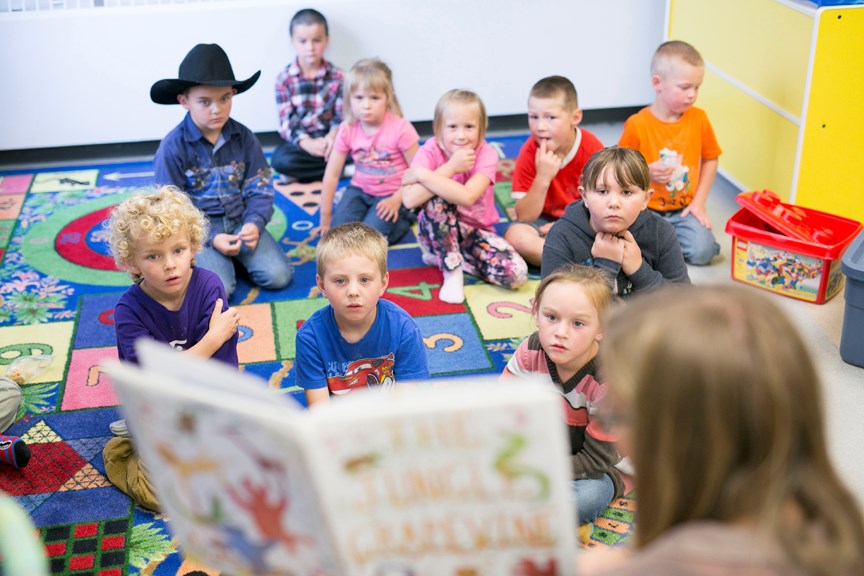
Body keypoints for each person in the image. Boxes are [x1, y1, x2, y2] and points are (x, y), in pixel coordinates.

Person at [581, 284, 864, 576]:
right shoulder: (834, 522)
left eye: (618, 415)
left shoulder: (678, 563)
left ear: (676, 440)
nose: (615, 437)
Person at [151, 43, 294, 298]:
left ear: (233, 94)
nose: (217, 109)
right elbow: (171, 209)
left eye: (224, 98)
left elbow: (260, 188)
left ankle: (234, 258)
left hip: (241, 220)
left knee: (279, 276)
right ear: (184, 101)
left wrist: (254, 223)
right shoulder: (172, 147)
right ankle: (220, 261)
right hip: (198, 230)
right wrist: (210, 237)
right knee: (221, 291)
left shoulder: (245, 138)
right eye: (204, 101)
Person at [107, 186, 241, 434]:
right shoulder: (128, 310)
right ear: (131, 263)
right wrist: (212, 339)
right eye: (153, 256)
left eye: (178, 250)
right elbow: (152, 380)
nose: (170, 265)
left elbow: (220, 370)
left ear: (193, 247)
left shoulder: (209, 286)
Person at [501, 264, 623, 526]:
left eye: (578, 323)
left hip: (600, 467)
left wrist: (539, 469)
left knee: (587, 498)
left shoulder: (607, 382)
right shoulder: (531, 351)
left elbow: (598, 460)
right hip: (550, 449)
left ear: (601, 329)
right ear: (536, 312)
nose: (560, 332)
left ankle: (535, 516)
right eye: (551, 317)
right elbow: (504, 410)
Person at [402, 89, 527, 304]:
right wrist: (451, 167)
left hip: (474, 232)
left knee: (516, 274)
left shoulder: (486, 153)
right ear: (438, 129)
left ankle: (445, 259)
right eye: (452, 127)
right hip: (435, 232)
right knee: (438, 196)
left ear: (481, 130)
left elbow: (468, 197)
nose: (461, 135)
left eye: (469, 127)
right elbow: (410, 200)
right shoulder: (430, 151)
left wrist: (423, 175)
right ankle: (452, 269)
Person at [295, 222, 429, 407]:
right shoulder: (310, 338)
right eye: (340, 281)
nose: (353, 291)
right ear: (322, 286)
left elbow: (406, 403)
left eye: (364, 280)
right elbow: (321, 411)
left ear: (383, 283)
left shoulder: (404, 329)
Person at [618, 40, 721, 266]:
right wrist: (646, 172)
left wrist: (699, 203)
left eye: (697, 87)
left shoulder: (699, 118)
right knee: (626, 246)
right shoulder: (637, 124)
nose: (692, 95)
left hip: (683, 210)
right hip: (645, 209)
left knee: (703, 252)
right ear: (658, 83)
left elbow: (711, 158)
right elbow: (619, 167)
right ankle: (665, 246)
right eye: (685, 87)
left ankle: (665, 246)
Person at [541, 146, 690, 298]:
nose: (614, 203)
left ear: (645, 199)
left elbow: (684, 300)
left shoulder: (661, 233)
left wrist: (639, 269)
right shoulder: (563, 235)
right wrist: (606, 266)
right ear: (584, 196)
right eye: (602, 191)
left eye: (626, 192)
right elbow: (552, 304)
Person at [504, 76, 604, 267]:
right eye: (533, 117)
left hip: (585, 222)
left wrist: (566, 226)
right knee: (516, 236)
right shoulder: (529, 151)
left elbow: (603, 203)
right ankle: (578, 262)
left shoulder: (592, 150)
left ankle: (563, 259)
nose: (540, 127)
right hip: (541, 223)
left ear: (575, 118)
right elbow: (524, 216)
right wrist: (543, 177)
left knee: (617, 229)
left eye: (550, 118)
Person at [318, 58, 419, 244]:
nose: (366, 105)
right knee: (338, 237)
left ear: (388, 98)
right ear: (349, 98)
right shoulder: (347, 128)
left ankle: (407, 215)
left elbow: (420, 172)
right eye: (359, 98)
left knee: (367, 242)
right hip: (359, 190)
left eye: (374, 98)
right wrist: (325, 219)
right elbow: (332, 175)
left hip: (394, 193)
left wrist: (397, 199)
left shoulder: (401, 129)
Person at [271, 8, 344, 184]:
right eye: (302, 41)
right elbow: (287, 123)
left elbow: (341, 118)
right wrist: (307, 143)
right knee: (280, 160)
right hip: (301, 143)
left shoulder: (339, 76)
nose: (310, 48)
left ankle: (306, 173)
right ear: (292, 42)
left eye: (317, 40)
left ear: (327, 40)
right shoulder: (284, 79)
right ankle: (340, 169)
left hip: (331, 142)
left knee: (360, 150)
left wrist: (330, 139)